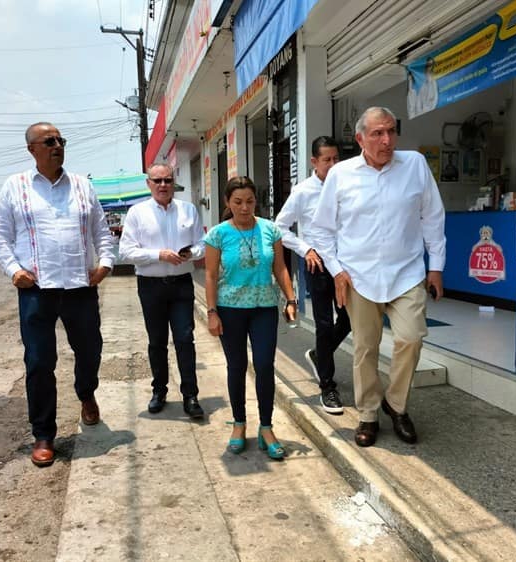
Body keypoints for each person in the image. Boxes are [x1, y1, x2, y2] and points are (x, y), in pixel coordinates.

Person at [311, 107, 446, 447]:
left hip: (407, 272)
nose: (387, 140)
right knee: (365, 348)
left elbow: (433, 217)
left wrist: (436, 267)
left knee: (411, 337)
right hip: (360, 277)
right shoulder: (341, 174)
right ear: (360, 139)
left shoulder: (414, 164)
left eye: (391, 131)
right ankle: (369, 414)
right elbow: (322, 230)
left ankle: (396, 404)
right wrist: (337, 271)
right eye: (377, 134)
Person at [0, 122, 114, 467]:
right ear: (32, 149)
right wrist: (14, 270)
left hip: (79, 287)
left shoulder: (82, 186)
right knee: (40, 362)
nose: (57, 145)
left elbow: (101, 231)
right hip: (37, 289)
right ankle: (44, 434)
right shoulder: (15, 187)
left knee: (90, 351)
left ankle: (86, 393)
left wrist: (104, 264)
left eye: (61, 140)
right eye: (49, 141)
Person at [205, 176, 297, 459]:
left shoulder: (270, 230)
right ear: (227, 203)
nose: (244, 208)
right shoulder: (218, 234)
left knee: (265, 366)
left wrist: (291, 298)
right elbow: (209, 275)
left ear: (256, 201)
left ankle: (266, 427)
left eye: (249, 201)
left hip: (264, 307)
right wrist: (212, 312)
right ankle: (239, 424)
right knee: (236, 366)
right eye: (237, 202)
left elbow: (280, 268)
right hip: (230, 309)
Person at [119, 163, 205, 419]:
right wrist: (159, 255)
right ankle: (159, 391)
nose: (163, 185)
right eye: (157, 181)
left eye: (167, 180)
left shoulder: (188, 210)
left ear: (173, 182)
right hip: (151, 286)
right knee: (157, 342)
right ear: (149, 184)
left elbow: (202, 244)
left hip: (181, 285)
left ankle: (190, 395)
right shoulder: (137, 213)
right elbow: (126, 252)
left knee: (184, 340)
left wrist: (192, 252)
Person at [274, 136, 350, 415]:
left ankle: (320, 354)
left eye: (335, 159)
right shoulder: (303, 191)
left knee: (350, 319)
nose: (332, 164)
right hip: (318, 265)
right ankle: (327, 387)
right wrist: (305, 249)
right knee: (324, 323)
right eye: (326, 160)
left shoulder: (347, 185)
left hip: (347, 265)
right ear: (314, 162)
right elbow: (279, 227)